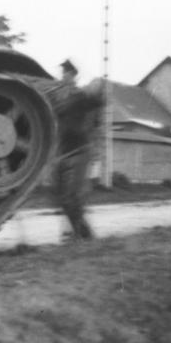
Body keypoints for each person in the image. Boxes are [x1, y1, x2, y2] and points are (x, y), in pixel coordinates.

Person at [52, 59, 105, 241]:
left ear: (74, 76)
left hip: (80, 150)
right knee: (62, 197)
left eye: (66, 73)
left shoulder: (79, 95)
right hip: (64, 151)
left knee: (72, 196)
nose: (63, 76)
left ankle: (80, 234)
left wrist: (97, 87)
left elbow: (97, 101)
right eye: (62, 73)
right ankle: (83, 233)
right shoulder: (59, 95)